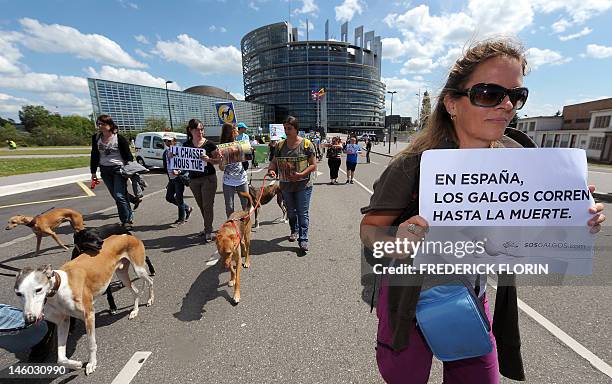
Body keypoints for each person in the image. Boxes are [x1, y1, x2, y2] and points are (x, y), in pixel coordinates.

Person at [359, 38, 606, 384]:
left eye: (516, 96)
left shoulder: (522, 161)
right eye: (489, 93)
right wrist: (395, 242)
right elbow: (370, 231)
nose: (506, 105)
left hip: (469, 296)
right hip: (407, 300)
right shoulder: (413, 166)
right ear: (452, 103)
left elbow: (531, 233)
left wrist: (576, 220)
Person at [267, 116, 317, 252]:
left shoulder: (307, 144)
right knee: (291, 211)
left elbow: (313, 165)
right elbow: (274, 162)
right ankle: (293, 230)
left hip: (303, 185)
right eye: (285, 128)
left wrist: (301, 174)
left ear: (296, 129)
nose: (287, 131)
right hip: (286, 185)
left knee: (303, 212)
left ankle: (304, 239)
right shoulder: (280, 145)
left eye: (289, 128)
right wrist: (271, 170)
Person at [91, 114, 134, 228]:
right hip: (105, 170)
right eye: (99, 124)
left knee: (119, 195)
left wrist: (130, 170)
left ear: (110, 125)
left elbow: (128, 156)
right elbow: (94, 155)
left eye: (103, 124)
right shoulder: (96, 138)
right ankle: (128, 214)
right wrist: (93, 172)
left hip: (118, 169)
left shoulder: (119, 138)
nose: (100, 126)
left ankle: (126, 221)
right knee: (117, 196)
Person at [183, 119, 221, 242]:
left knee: (207, 205)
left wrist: (209, 159)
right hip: (194, 180)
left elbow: (218, 161)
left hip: (208, 178)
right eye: (197, 129)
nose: (200, 131)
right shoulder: (186, 145)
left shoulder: (210, 144)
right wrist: (172, 156)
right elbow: (182, 163)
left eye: (201, 129)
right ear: (190, 130)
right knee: (201, 206)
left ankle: (208, 230)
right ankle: (207, 227)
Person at [219, 122, 249, 218]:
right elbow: (221, 168)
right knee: (229, 207)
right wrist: (221, 161)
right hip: (228, 181)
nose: (237, 131)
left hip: (242, 179)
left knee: (246, 205)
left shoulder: (240, 144)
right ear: (231, 132)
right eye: (236, 130)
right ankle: (232, 227)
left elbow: (248, 159)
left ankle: (245, 226)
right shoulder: (221, 148)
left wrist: (250, 152)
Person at [162, 133, 193, 225]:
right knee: (169, 197)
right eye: (165, 141)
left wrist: (179, 172)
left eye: (169, 140)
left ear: (174, 141)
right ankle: (187, 208)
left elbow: (187, 165)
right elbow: (166, 167)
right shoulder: (165, 152)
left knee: (179, 199)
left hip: (179, 178)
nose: (167, 142)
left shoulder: (180, 151)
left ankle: (181, 219)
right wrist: (169, 179)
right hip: (171, 179)